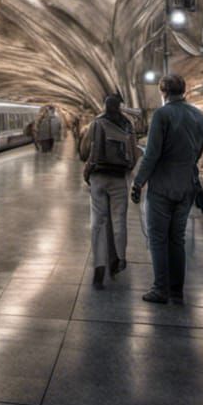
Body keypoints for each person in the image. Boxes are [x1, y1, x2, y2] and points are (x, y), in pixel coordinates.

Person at [132, 74, 203, 304]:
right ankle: (177, 290)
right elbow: (199, 150)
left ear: (163, 91)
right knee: (177, 239)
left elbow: (152, 154)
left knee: (157, 238)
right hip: (187, 185)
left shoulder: (162, 115)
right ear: (183, 90)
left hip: (163, 186)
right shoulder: (199, 116)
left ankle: (160, 289)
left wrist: (138, 182)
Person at [81, 95, 138, 288]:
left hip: (99, 177)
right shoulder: (128, 124)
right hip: (119, 178)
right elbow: (134, 153)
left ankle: (99, 268)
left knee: (98, 222)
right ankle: (120, 258)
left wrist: (87, 172)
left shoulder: (98, 123)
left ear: (105, 106)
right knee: (119, 219)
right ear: (120, 106)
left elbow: (90, 152)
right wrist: (127, 171)